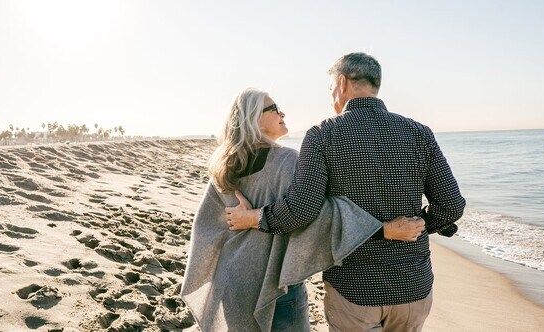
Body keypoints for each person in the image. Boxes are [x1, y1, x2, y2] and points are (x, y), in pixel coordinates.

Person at [227, 53, 466, 332]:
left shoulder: (322, 134)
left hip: (355, 286)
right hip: (413, 285)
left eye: (331, 89)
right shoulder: (419, 132)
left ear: (341, 83)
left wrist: (254, 218)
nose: (332, 98)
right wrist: (421, 224)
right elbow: (451, 205)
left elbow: (301, 210)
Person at [180, 88, 400, 331]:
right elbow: (316, 214)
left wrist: (243, 223)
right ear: (253, 118)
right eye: (273, 109)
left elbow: (205, 227)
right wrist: (382, 228)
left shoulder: (224, 165)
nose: (282, 113)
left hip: (232, 280)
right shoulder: (288, 161)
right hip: (275, 285)